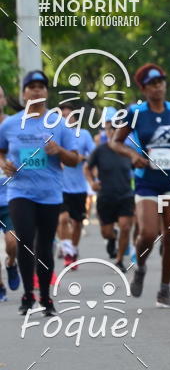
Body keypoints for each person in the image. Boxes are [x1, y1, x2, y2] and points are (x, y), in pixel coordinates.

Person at [110, 63, 170, 307]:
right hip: (147, 181)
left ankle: (165, 289)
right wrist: (133, 156)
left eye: (160, 82)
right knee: (148, 233)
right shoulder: (135, 112)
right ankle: (140, 267)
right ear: (143, 89)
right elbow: (115, 142)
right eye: (152, 84)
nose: (157, 87)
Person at [0, 70, 78, 315]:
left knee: (44, 246)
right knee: (24, 240)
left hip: (50, 194)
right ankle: (27, 295)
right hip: (20, 192)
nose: (36, 90)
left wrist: (59, 152)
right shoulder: (10, 124)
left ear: (47, 92)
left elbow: (75, 159)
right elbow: (1, 151)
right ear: (24, 93)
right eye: (31, 86)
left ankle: (45, 297)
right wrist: (4, 164)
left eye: (41, 86)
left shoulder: (60, 124)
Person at [85, 118, 134, 272]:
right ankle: (112, 238)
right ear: (105, 132)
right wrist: (92, 182)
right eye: (109, 129)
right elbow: (87, 168)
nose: (112, 131)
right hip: (106, 196)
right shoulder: (100, 150)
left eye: (115, 128)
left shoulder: (127, 150)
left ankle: (119, 260)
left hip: (125, 195)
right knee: (106, 232)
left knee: (126, 227)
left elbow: (138, 166)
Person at [56, 102, 95, 267]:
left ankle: (73, 248)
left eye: (68, 117)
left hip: (78, 187)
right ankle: (67, 251)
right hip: (60, 186)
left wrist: (81, 158)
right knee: (63, 219)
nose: (65, 120)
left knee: (77, 223)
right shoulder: (55, 134)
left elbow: (93, 155)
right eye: (62, 117)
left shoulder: (84, 134)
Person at [0, 84, 19, 299]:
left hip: (10, 195)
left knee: (12, 242)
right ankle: (0, 286)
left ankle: (11, 263)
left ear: (4, 100)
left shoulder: (14, 126)